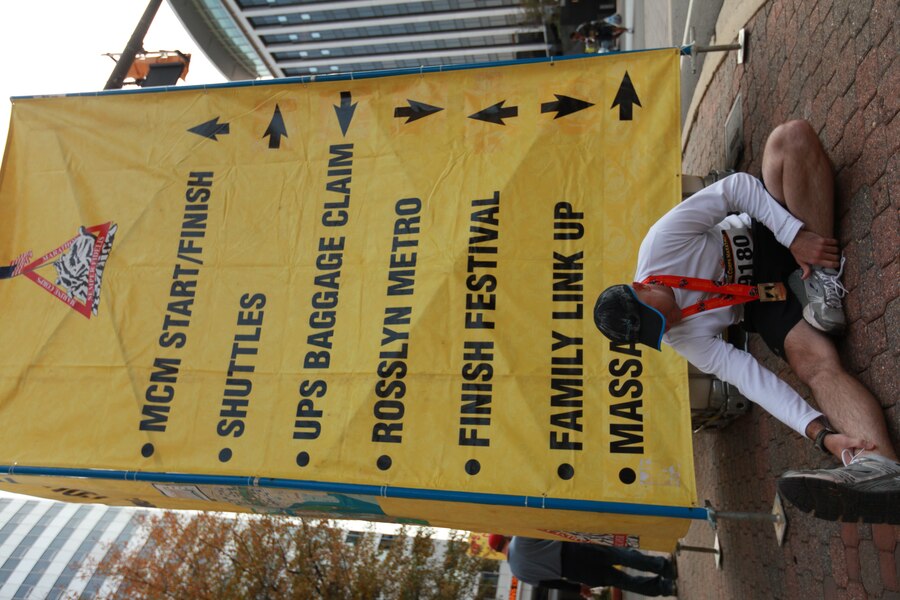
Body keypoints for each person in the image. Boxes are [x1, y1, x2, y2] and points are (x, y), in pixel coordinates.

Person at [592, 120, 900, 524]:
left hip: (766, 237)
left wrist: (792, 236)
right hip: (761, 304)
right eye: (657, 330)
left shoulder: (660, 243)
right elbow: (749, 377)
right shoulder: (675, 335)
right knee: (815, 365)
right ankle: (884, 472)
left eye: (655, 312)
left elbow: (735, 188)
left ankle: (822, 275)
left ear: (640, 285)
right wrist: (822, 435)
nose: (666, 321)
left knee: (789, 139)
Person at [487, 534, 676, 597]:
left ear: (497, 551)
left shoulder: (518, 573)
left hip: (573, 573)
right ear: (505, 537)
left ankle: (667, 588)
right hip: (576, 550)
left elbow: (552, 583)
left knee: (623, 581)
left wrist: (578, 588)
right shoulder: (520, 539)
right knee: (622, 556)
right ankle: (665, 567)